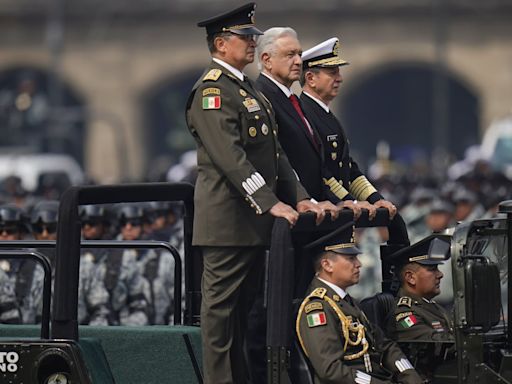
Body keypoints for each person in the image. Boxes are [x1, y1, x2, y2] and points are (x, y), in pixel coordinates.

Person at [186, 4, 328, 383]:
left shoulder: (245, 89)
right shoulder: (213, 91)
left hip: (251, 223)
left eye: (253, 37)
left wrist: (298, 196)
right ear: (221, 43)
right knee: (220, 319)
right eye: (244, 38)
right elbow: (230, 158)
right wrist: (271, 203)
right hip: (227, 222)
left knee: (244, 314)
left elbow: (274, 153)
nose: (251, 43)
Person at [300, 37, 410, 245]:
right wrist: (348, 201)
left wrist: (376, 199)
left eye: (338, 72)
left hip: (338, 216)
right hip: (323, 218)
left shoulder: (327, 116)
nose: (340, 78)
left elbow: (349, 169)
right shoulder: (304, 115)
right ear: (311, 78)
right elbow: (319, 171)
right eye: (332, 73)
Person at [296, 225, 423, 384]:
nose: (359, 264)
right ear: (327, 265)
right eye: (350, 258)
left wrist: (409, 374)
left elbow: (385, 346)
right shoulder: (318, 308)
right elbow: (330, 369)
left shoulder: (345, 301)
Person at [386, 235, 453, 342]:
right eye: (432, 269)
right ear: (410, 277)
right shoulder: (405, 316)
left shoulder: (433, 307)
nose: (440, 274)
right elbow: (436, 342)